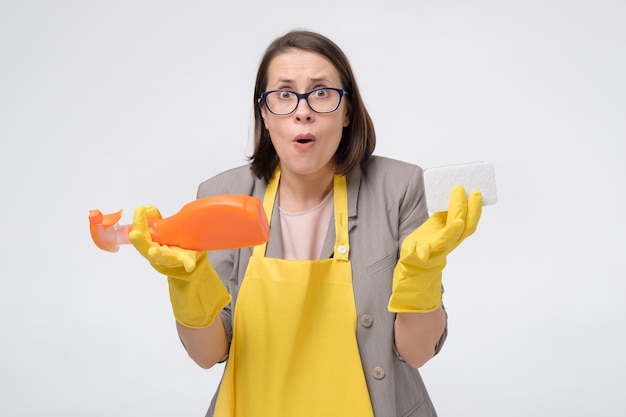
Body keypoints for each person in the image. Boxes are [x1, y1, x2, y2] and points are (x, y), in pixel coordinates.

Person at [128, 29, 482, 417]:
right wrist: (187, 288)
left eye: (321, 92)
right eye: (283, 93)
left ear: (347, 110)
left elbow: (416, 353)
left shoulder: (398, 188)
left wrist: (422, 277)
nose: (302, 110)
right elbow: (208, 353)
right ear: (263, 112)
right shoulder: (222, 195)